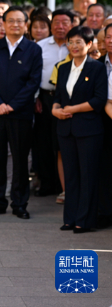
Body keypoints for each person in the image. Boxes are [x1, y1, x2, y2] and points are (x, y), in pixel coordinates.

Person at [0, 6, 42, 220]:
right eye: (11, 21)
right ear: (3, 24)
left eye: (20, 21)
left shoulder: (33, 50)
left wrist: (13, 105)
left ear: (26, 25)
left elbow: (33, 82)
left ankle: (19, 203)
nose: (15, 24)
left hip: (21, 113)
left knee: (20, 158)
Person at [55, 26, 107, 233]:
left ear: (89, 44)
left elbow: (99, 99)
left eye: (79, 42)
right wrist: (55, 110)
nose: (74, 46)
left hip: (88, 129)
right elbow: (58, 97)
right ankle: (70, 218)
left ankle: (84, 220)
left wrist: (73, 109)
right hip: (65, 128)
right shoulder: (64, 68)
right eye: (71, 42)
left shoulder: (96, 68)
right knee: (71, 175)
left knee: (87, 175)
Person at [35, 10, 71, 197]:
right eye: (56, 23)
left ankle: (62, 186)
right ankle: (46, 183)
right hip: (44, 97)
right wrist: (36, 98)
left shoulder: (75, 46)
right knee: (43, 141)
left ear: (72, 24)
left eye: (65, 23)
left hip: (67, 100)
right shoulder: (40, 46)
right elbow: (33, 74)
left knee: (61, 142)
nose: (60, 27)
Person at [98, 25, 112, 229]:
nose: (110, 40)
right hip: (102, 126)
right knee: (105, 171)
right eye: (108, 37)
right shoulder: (97, 65)